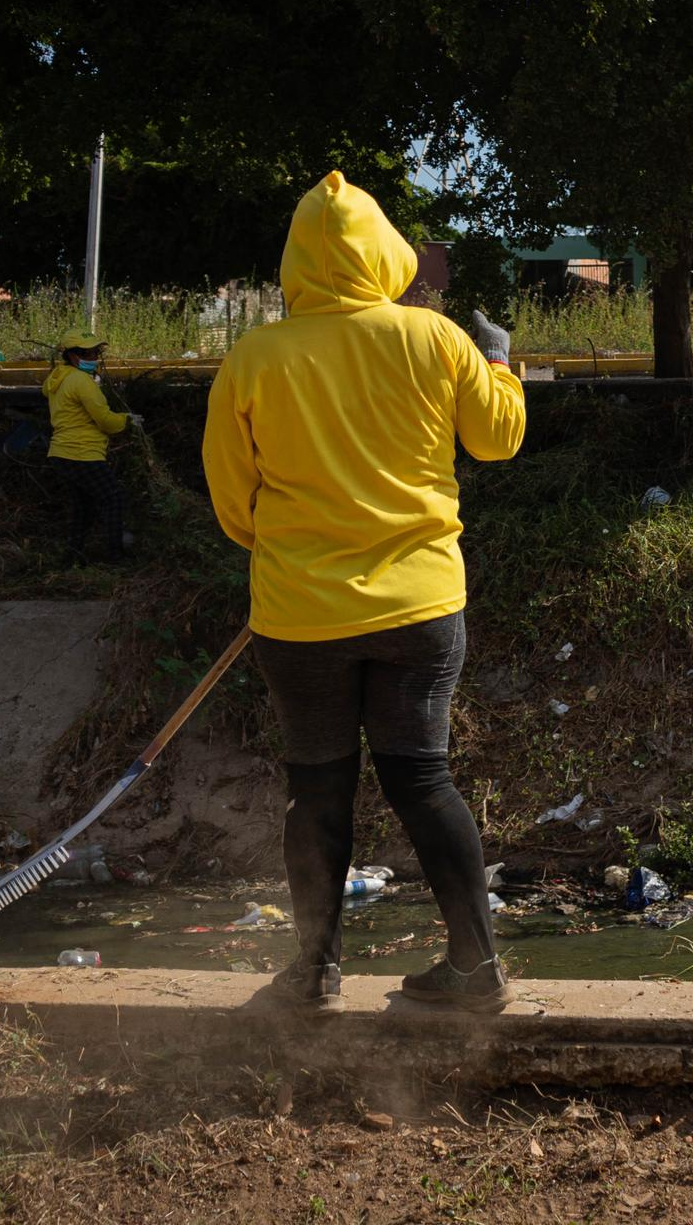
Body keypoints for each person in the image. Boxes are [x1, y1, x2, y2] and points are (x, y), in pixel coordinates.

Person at [203, 170, 527, 1013]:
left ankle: (312, 974)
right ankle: (475, 969)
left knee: (317, 789)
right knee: (423, 778)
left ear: (294, 262)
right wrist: (497, 358)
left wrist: (288, 555)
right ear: (384, 251)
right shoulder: (434, 338)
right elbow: (495, 441)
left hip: (301, 614)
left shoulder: (254, 358)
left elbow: (233, 500)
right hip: (420, 606)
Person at [43, 330, 139, 563]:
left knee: (83, 506)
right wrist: (127, 419)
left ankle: (72, 557)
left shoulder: (60, 377)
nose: (95, 356)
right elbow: (105, 419)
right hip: (81, 453)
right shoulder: (80, 382)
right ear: (74, 356)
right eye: (90, 352)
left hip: (62, 453)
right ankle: (115, 556)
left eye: (96, 352)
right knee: (113, 497)